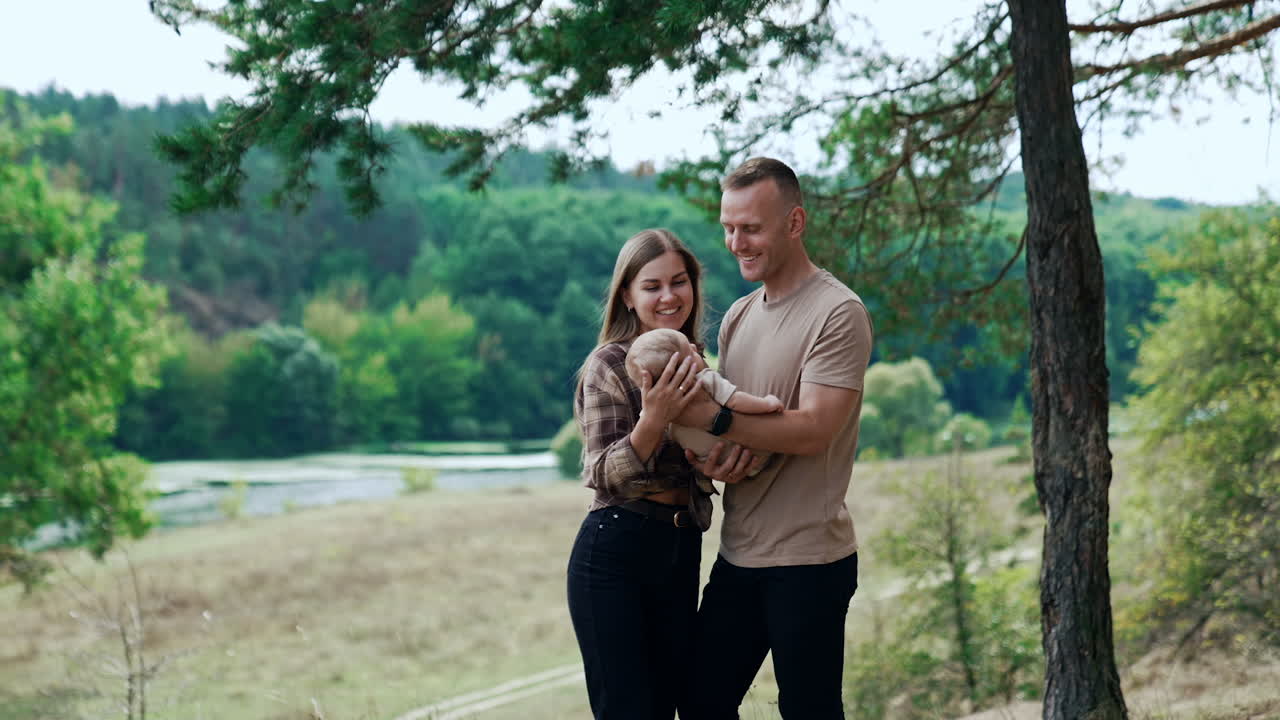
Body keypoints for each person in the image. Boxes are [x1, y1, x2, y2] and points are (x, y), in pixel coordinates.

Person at [677, 157, 874, 719]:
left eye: (751, 228)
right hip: (739, 553)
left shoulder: (838, 312)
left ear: (795, 223)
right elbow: (737, 419)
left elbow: (813, 429)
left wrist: (716, 422)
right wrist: (713, 458)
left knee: (809, 711)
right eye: (728, 227)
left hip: (810, 560)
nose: (736, 243)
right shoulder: (738, 317)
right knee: (700, 705)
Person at [566, 228, 717, 720]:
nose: (669, 296)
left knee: (671, 706)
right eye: (652, 286)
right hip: (616, 551)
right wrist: (653, 419)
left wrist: (717, 462)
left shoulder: (695, 361)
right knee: (628, 710)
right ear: (628, 296)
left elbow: (706, 454)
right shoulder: (609, 364)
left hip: (681, 547)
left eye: (679, 282)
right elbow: (602, 474)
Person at [623, 327, 780, 489]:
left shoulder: (654, 409)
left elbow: (653, 438)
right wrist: (767, 404)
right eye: (691, 351)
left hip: (716, 462)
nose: (695, 348)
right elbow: (735, 401)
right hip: (753, 450)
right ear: (685, 367)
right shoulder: (704, 380)